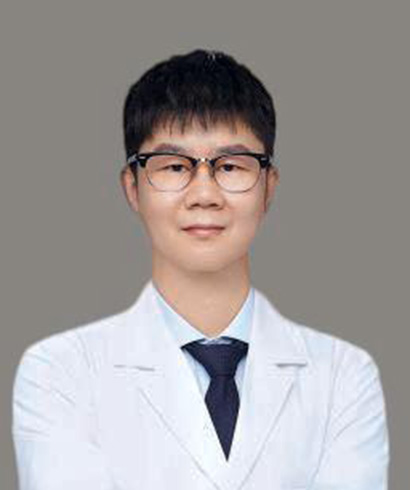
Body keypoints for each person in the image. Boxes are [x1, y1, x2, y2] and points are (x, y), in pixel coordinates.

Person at [12, 49, 390, 490]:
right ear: (132, 188)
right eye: (175, 167)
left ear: (268, 188)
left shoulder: (343, 376)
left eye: (230, 166)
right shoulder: (60, 373)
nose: (205, 194)